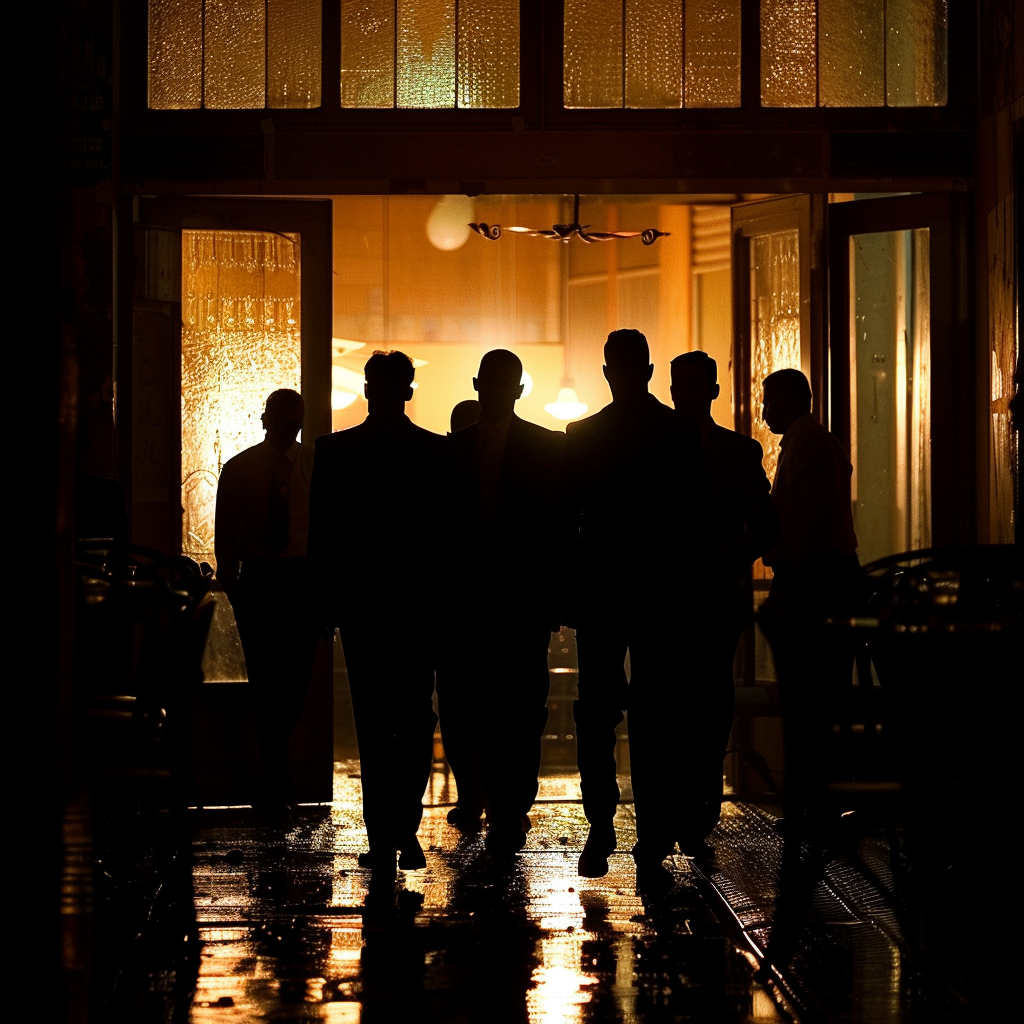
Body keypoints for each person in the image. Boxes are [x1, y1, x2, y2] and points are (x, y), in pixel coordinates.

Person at [562, 329, 706, 889]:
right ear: (648, 372)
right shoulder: (676, 432)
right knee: (657, 714)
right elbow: (693, 517)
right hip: (661, 592)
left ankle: (602, 824)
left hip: (602, 590)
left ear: (607, 373)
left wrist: (570, 588)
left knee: (596, 713)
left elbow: (568, 520)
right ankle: (653, 831)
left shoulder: (584, 435)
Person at [307, 351, 450, 872]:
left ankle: (383, 834)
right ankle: (402, 827)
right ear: (408, 391)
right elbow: (445, 540)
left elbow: (323, 535)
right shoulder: (437, 453)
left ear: (367, 390)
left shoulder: (335, 452)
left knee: (373, 722)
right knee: (414, 718)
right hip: (418, 606)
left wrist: (324, 602)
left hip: (364, 606)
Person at [443, 349, 564, 855]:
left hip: (503, 597)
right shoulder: (542, 447)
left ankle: (506, 801)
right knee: (505, 705)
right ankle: (509, 802)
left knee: (511, 705)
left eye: (499, 384)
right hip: (504, 597)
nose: (493, 392)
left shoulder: (454, 450)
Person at [669, 351, 779, 856]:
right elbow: (761, 526)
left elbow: (764, 525)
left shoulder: (732, 452)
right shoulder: (733, 452)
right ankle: (692, 808)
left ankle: (691, 807)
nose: (684, 394)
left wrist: (718, 555)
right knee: (695, 702)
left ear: (711, 390)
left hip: (699, 592)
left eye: (692, 385)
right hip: (697, 591)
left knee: (698, 702)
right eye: (680, 385)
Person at [214, 389, 320, 810]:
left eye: (292, 420)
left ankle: (273, 768)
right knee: (269, 678)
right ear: (265, 420)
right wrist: (231, 579)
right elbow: (226, 533)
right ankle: (278, 769)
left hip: (295, 578)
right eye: (280, 419)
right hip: (264, 578)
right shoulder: (242, 469)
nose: (285, 427)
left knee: (289, 679)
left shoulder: (311, 466)